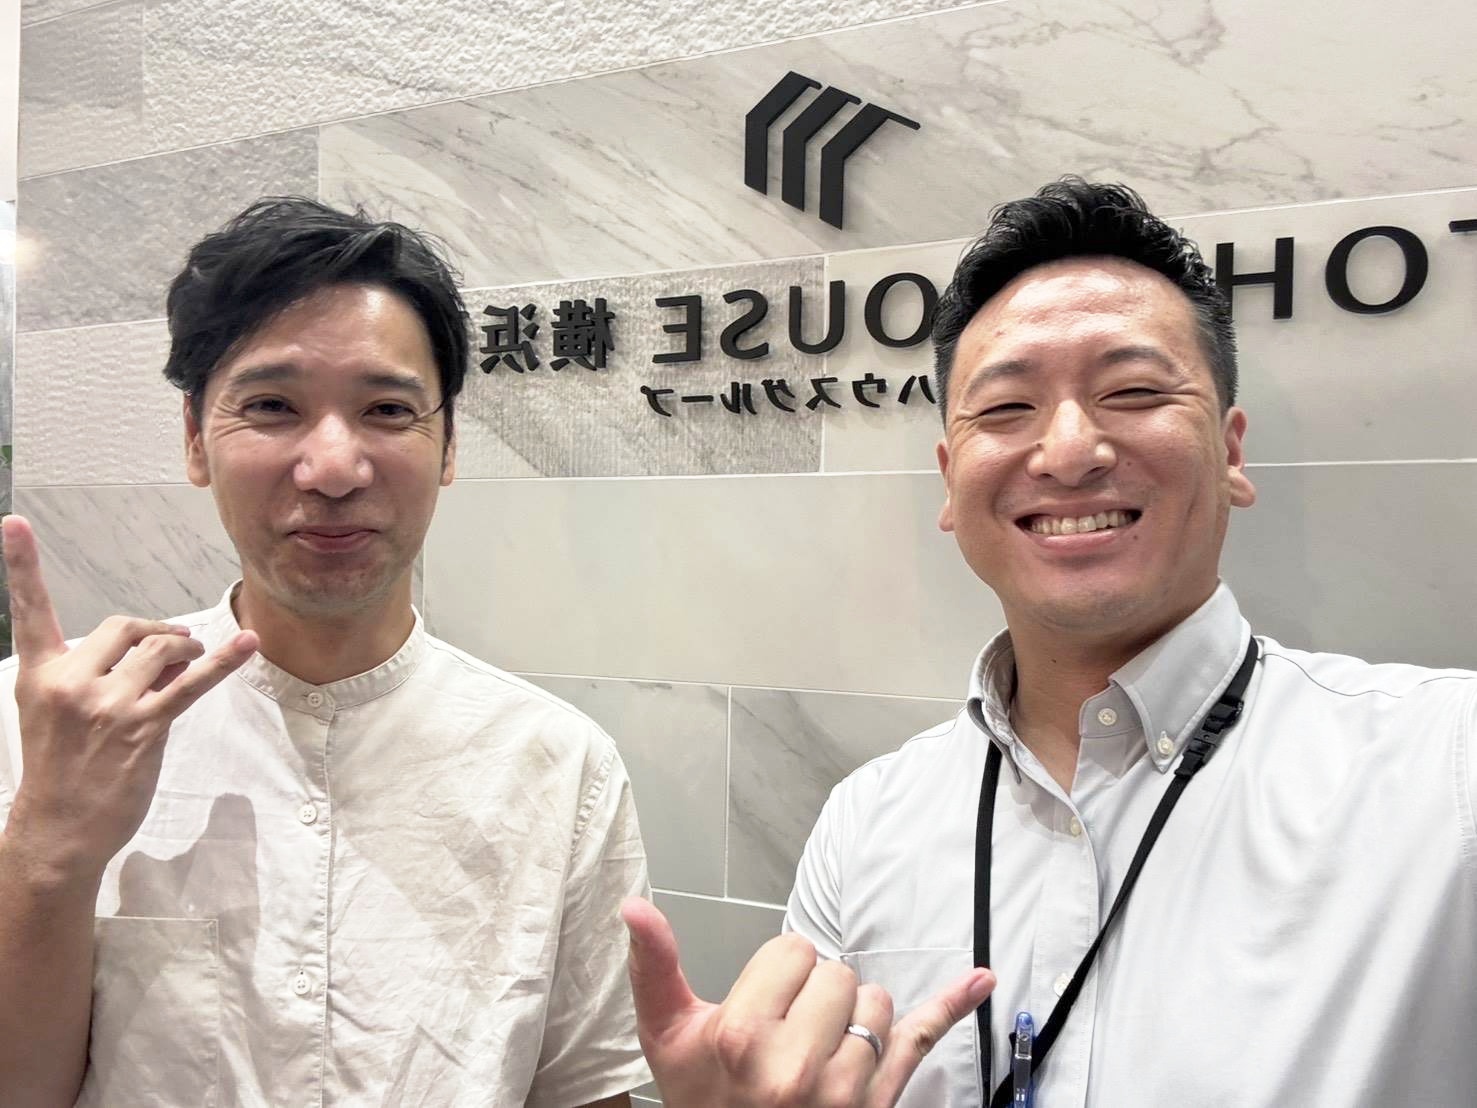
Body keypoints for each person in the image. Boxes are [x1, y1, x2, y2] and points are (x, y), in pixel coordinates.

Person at [627, 178, 1477, 1106]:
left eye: (1133, 392)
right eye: (1005, 409)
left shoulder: (1443, 772)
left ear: (1231, 452)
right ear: (949, 483)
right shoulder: (869, 820)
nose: (1069, 451)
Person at [0, 197, 650, 1107]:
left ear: (448, 444)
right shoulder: (40, 730)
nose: (334, 468)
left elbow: (585, 1091)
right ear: (195, 438)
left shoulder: (558, 764)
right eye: (272, 406)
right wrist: (47, 850)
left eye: (387, 409)